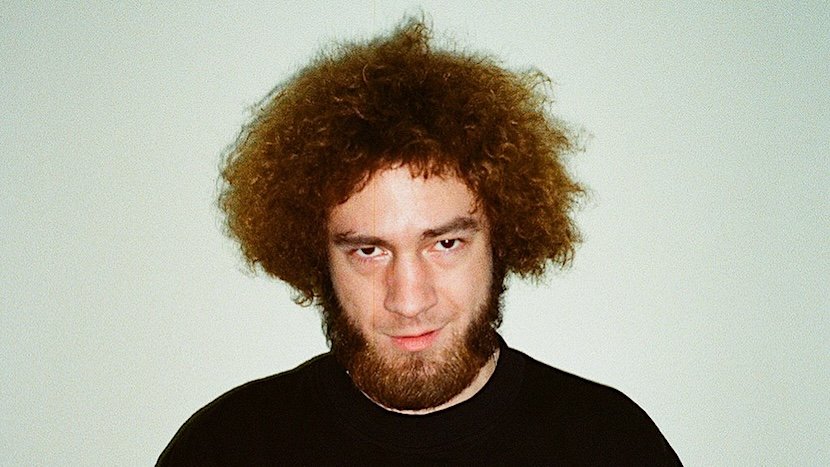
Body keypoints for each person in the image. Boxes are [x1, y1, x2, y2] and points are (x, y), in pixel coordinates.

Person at [158, 19, 681, 465]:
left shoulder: (609, 445)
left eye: (445, 244)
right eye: (369, 251)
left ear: (503, 239)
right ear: (317, 256)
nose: (409, 301)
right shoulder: (226, 448)